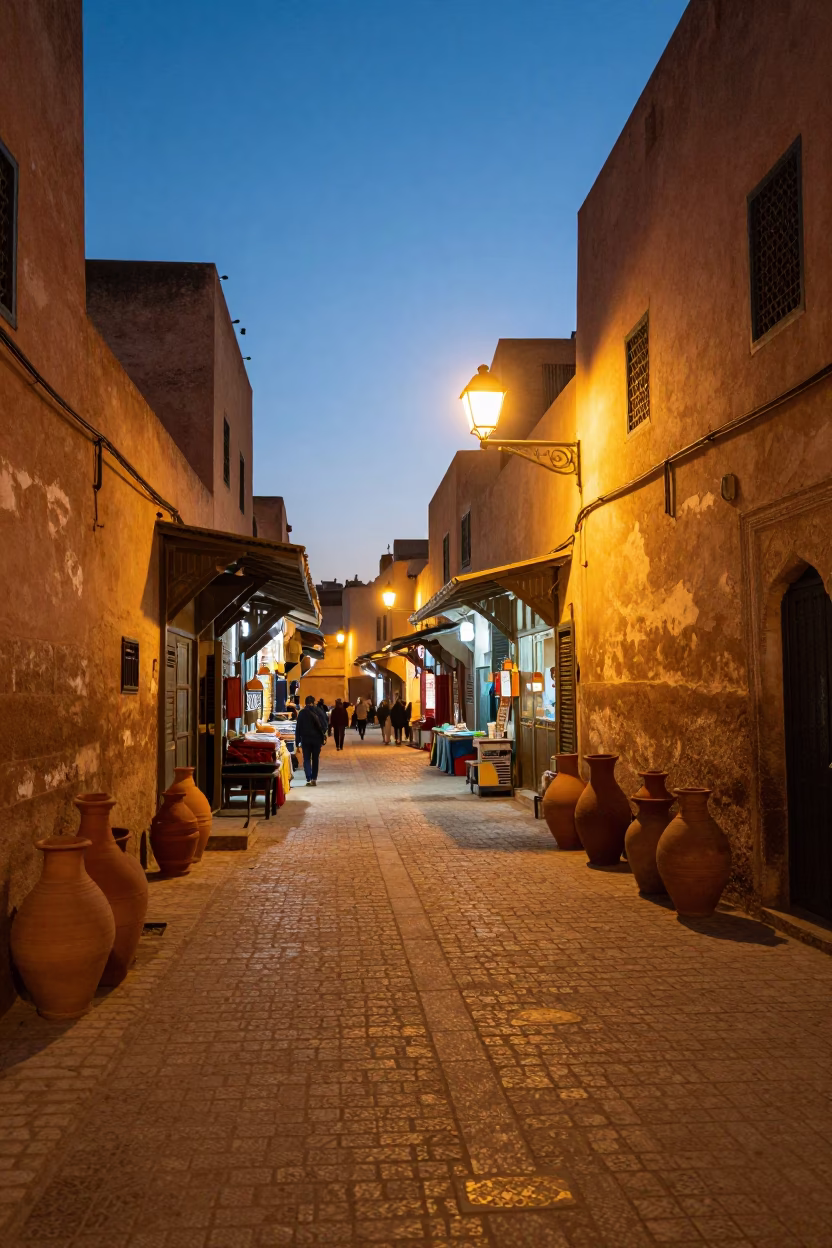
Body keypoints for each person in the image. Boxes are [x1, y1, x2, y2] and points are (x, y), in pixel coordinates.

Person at [296, 694, 327, 785]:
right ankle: (314, 778)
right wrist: (322, 734)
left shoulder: (302, 713)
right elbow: (325, 724)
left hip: (305, 739)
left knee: (306, 758)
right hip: (317, 739)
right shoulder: (319, 711)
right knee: (315, 758)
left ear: (305, 703)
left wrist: (297, 741)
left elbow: (298, 728)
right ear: (313, 702)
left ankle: (308, 778)